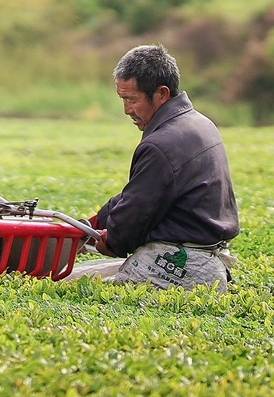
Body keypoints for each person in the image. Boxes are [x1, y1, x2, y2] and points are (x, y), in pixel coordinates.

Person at [88, 44, 239, 293]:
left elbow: (136, 214)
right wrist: (97, 220)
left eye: (131, 99)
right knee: (90, 273)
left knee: (78, 283)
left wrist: (111, 241)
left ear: (161, 94)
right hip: (210, 262)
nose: (127, 110)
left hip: (178, 264)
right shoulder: (200, 123)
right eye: (123, 99)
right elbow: (140, 193)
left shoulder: (161, 144)